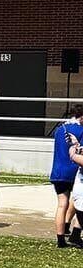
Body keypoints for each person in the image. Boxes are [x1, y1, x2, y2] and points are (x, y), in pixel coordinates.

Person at [50, 105, 83, 247]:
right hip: (74, 171)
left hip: (58, 170)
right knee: (78, 202)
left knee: (61, 205)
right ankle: (75, 233)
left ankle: (60, 239)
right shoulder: (81, 130)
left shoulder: (60, 129)